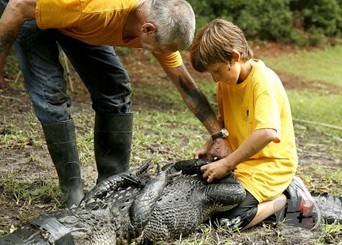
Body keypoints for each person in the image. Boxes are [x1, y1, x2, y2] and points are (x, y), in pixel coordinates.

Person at [0, 0, 230, 208]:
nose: (162, 55)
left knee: (114, 88)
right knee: (51, 94)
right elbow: (16, 7)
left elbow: (186, 86)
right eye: (159, 49)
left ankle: (111, 185)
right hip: (27, 11)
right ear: (147, 29)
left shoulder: (158, 19)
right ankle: (72, 192)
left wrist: (218, 135)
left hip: (74, 21)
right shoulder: (97, 10)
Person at [190, 19, 321, 230]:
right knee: (205, 202)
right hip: (244, 163)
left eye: (216, 71)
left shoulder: (263, 82)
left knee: (227, 220)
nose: (215, 79)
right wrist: (210, 144)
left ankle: (287, 197)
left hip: (271, 165)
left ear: (235, 57)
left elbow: (267, 132)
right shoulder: (227, 82)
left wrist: (226, 164)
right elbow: (225, 122)